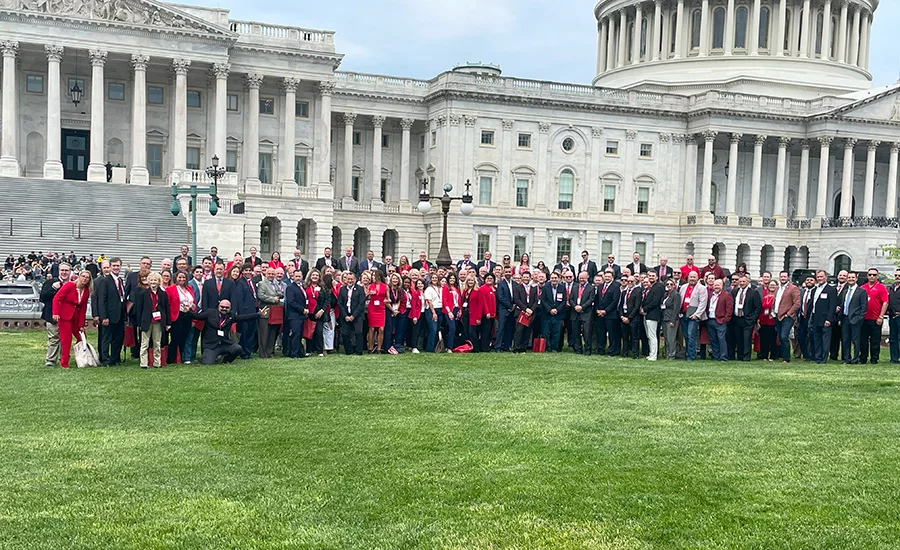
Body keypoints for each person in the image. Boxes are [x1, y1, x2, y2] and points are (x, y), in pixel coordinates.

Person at [182, 300, 266, 365]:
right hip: (211, 345)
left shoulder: (231, 316)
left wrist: (258, 314)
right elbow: (198, 316)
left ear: (230, 308)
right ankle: (209, 357)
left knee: (238, 348)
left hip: (224, 344)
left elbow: (243, 317)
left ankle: (226, 360)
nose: (224, 309)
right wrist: (188, 312)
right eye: (222, 307)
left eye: (227, 307)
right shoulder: (210, 312)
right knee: (207, 363)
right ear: (218, 306)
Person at [51, 269, 91, 369]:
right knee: (66, 339)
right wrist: (55, 313)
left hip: (76, 316)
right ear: (79, 276)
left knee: (81, 337)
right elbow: (57, 298)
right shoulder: (69, 285)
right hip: (65, 315)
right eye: (83, 276)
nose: (85, 279)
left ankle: (81, 358)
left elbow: (83, 308)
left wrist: (81, 324)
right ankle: (64, 363)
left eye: (87, 277)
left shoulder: (86, 291)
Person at [134, 272, 170, 369]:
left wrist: (168, 323)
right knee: (144, 343)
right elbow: (139, 309)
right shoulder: (143, 294)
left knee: (157, 342)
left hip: (158, 322)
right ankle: (143, 363)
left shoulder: (163, 294)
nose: (153, 282)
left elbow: (167, 309)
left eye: (155, 280)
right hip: (146, 321)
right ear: (148, 282)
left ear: (159, 282)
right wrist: (139, 322)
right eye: (151, 280)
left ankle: (157, 362)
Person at [40, 263, 71, 367]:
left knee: (65, 339)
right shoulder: (50, 282)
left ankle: (64, 359)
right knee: (53, 338)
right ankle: (51, 360)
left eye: (66, 270)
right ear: (58, 271)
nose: (64, 272)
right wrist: (53, 288)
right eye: (62, 270)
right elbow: (43, 298)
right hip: (52, 315)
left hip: (67, 316)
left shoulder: (72, 284)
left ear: (70, 271)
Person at [860, 268, 888, 364]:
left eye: (874, 275)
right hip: (863, 318)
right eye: (870, 274)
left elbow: (885, 303)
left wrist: (881, 316)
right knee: (863, 340)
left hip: (876, 318)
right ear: (867, 276)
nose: (872, 276)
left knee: (875, 340)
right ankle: (863, 358)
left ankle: (874, 359)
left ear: (877, 276)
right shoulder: (862, 287)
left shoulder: (881, 288)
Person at [809, 270, 838, 365]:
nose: (819, 278)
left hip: (825, 319)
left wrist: (829, 319)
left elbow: (832, 305)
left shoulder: (831, 289)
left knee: (825, 339)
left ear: (826, 277)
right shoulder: (814, 290)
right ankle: (817, 357)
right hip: (815, 318)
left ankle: (823, 358)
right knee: (816, 339)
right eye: (818, 277)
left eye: (821, 277)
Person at [165, 270, 194, 364]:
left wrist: (191, 306)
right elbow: (167, 305)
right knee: (175, 339)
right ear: (176, 278)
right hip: (177, 316)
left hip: (188, 315)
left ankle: (180, 358)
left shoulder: (189, 288)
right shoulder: (171, 289)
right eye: (180, 277)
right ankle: (170, 359)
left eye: (184, 277)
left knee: (184, 338)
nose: (182, 279)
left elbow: (192, 300)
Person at [839, 271, 867, 364]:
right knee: (845, 340)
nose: (851, 279)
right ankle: (847, 359)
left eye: (852, 277)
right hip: (845, 319)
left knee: (856, 341)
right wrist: (840, 318)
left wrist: (860, 319)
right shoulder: (845, 291)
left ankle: (855, 359)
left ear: (856, 279)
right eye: (849, 277)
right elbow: (843, 305)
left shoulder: (861, 291)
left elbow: (864, 307)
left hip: (855, 319)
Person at [772, 271, 800, 364]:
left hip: (787, 317)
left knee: (784, 336)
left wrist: (788, 313)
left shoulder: (793, 288)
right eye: (781, 276)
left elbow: (797, 303)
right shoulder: (777, 288)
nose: (783, 278)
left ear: (788, 277)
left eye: (785, 276)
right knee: (780, 336)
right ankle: (783, 356)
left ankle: (786, 358)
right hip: (777, 316)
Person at [256, 267, 283, 359]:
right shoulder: (262, 283)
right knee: (264, 333)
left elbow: (279, 292)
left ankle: (270, 352)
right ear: (266, 274)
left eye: (272, 274)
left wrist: (279, 295)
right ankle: (263, 353)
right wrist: (273, 299)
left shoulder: (275, 284)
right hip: (265, 311)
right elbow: (260, 295)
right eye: (269, 274)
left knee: (273, 333)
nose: (271, 275)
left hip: (275, 312)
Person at [732, 274, 760, 362]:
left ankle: (746, 357)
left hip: (747, 319)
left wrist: (752, 318)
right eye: (740, 281)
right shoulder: (735, 291)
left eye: (744, 281)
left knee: (747, 338)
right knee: (738, 337)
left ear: (748, 282)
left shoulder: (753, 292)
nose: (742, 283)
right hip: (737, 318)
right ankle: (739, 356)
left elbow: (758, 307)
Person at [681, 271, 708, 361]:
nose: (692, 279)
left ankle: (691, 356)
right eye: (690, 277)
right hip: (684, 314)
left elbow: (703, 303)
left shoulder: (702, 288)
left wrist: (697, 315)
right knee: (686, 336)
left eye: (694, 277)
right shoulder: (683, 287)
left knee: (691, 335)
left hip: (694, 315)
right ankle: (688, 353)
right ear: (688, 277)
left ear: (697, 278)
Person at [338, 272, 366, 355]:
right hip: (346, 315)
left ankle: (358, 351)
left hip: (357, 315)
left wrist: (354, 316)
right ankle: (348, 351)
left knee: (358, 333)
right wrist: (345, 316)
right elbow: (340, 303)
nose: (350, 280)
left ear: (355, 279)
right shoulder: (342, 289)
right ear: (346, 280)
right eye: (348, 279)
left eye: (352, 279)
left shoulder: (360, 289)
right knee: (345, 334)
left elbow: (361, 304)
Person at [283, 270, 309, 358]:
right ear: (292, 277)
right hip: (294, 315)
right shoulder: (290, 287)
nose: (298, 278)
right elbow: (291, 302)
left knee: (300, 335)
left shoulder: (302, 287)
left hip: (301, 315)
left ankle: (299, 352)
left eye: (299, 276)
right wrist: (302, 310)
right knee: (296, 334)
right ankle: (294, 353)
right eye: (296, 276)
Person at [594, 270, 621, 356]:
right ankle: (601, 350)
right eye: (606, 276)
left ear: (612, 277)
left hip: (610, 315)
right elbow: (597, 299)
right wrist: (597, 310)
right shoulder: (600, 286)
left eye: (609, 276)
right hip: (600, 314)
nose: (607, 278)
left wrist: (605, 311)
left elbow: (615, 301)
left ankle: (612, 351)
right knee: (601, 333)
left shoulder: (616, 287)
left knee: (612, 334)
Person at [642, 271, 665, 361]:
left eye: (653, 276)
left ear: (656, 277)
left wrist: (645, 309)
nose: (651, 277)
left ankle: (654, 355)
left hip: (653, 314)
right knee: (649, 335)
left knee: (652, 335)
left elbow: (655, 301)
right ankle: (651, 353)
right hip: (648, 315)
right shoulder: (650, 287)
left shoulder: (658, 287)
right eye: (649, 276)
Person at [305, 269, 327, 356]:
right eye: (313, 275)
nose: (315, 277)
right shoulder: (305, 287)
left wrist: (322, 310)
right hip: (308, 313)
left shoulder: (323, 287)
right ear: (310, 276)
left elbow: (327, 299)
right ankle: (308, 351)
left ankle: (320, 351)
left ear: (319, 277)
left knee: (319, 331)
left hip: (319, 312)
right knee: (309, 332)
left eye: (317, 275)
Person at [494, 267, 516, 352]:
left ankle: (507, 346)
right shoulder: (501, 284)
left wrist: (513, 305)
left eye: (509, 272)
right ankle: (497, 347)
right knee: (501, 328)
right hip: (503, 309)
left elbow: (516, 296)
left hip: (513, 309)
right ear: (503, 273)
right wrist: (510, 306)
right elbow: (500, 297)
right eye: (506, 272)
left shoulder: (514, 284)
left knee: (509, 328)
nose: (508, 273)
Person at [475, 273, 497, 352]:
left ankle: (487, 346)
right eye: (488, 278)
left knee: (490, 331)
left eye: (491, 278)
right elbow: (483, 302)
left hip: (492, 314)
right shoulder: (482, 289)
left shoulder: (493, 288)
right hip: (485, 314)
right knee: (485, 331)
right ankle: (484, 347)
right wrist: (486, 312)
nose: (489, 280)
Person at [661, 278, 681, 360]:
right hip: (664, 318)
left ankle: (671, 355)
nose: (669, 286)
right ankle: (667, 353)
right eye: (667, 284)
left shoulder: (676, 294)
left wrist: (673, 320)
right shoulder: (665, 294)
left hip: (671, 319)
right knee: (666, 338)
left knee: (671, 338)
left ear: (674, 285)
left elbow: (676, 308)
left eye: (671, 284)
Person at [758, 280, 778, 361]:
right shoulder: (765, 297)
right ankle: (764, 356)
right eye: (770, 285)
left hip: (773, 321)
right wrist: (758, 320)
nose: (772, 287)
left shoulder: (778, 297)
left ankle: (773, 356)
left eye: (774, 285)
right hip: (763, 320)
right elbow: (761, 309)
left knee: (772, 339)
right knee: (763, 339)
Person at [423, 275, 443, 353]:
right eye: (433, 278)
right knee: (433, 330)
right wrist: (433, 312)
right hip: (431, 310)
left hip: (440, 309)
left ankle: (436, 347)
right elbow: (429, 301)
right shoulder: (429, 289)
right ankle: (429, 349)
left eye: (436, 278)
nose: (434, 279)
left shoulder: (440, 288)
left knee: (437, 329)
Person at [442, 272, 462, 351]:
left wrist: (460, 310)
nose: (452, 280)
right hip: (449, 310)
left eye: (453, 278)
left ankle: (450, 345)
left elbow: (459, 300)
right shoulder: (446, 288)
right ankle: (449, 347)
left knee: (453, 329)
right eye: (451, 278)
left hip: (456, 309)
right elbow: (445, 300)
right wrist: (449, 311)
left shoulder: (456, 288)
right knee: (452, 328)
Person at [408, 278, 425, 354]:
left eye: (421, 283)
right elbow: (413, 306)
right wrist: (414, 316)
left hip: (423, 313)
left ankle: (419, 345)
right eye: (418, 283)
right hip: (416, 315)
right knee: (415, 331)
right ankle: (414, 347)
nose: (420, 285)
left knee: (421, 331)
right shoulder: (415, 293)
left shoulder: (425, 293)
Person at [889, 270, 900, 364]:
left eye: (899, 275)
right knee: (893, 338)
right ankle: (894, 358)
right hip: (892, 316)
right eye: (896, 275)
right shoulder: (891, 288)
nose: (897, 277)